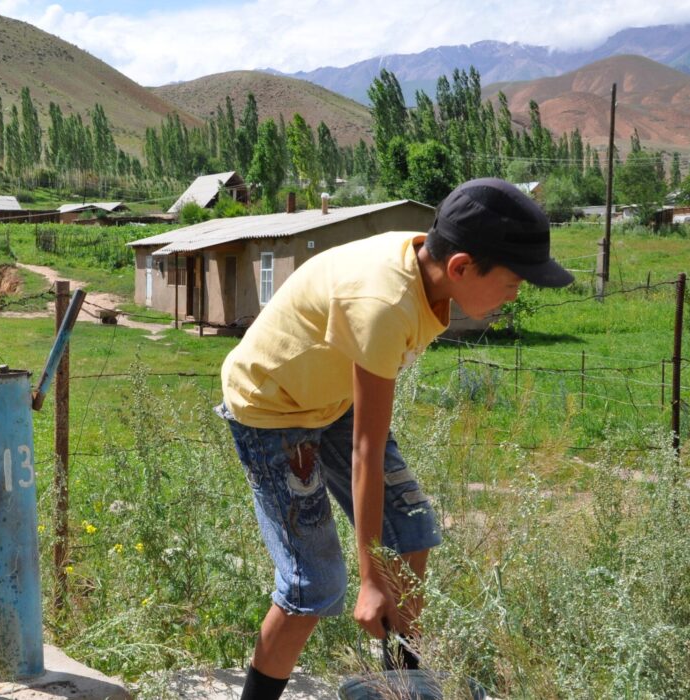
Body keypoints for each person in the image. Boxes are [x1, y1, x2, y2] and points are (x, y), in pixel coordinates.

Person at [216, 178, 573, 700]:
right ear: (461, 266)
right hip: (271, 408)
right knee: (315, 585)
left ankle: (400, 687)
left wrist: (384, 568)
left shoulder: (428, 274)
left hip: (331, 397)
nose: (513, 297)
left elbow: (368, 430)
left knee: (412, 534)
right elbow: (365, 449)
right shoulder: (384, 303)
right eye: (514, 282)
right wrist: (369, 577)